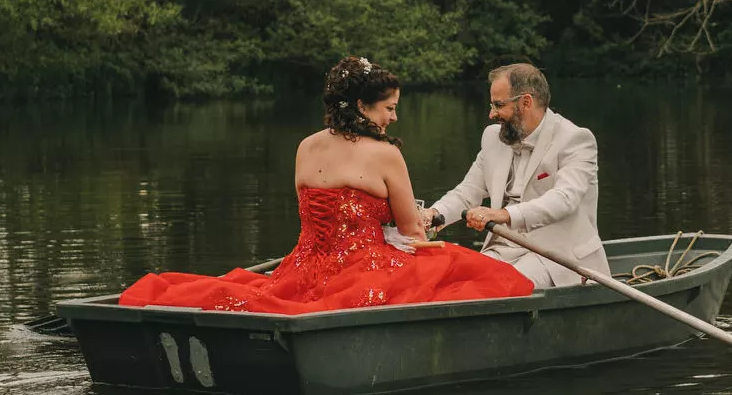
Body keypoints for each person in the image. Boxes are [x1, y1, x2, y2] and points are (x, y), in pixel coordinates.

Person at [118, 57, 534, 314]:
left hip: (303, 266)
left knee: (253, 288)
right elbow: (410, 231)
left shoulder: (305, 148)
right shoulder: (384, 153)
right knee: (474, 270)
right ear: (361, 106)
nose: (393, 118)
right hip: (364, 268)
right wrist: (426, 231)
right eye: (389, 109)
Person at [423, 62, 609, 288]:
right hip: (502, 250)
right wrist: (433, 215)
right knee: (446, 280)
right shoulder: (493, 138)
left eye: (498, 105)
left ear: (526, 102)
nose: (492, 114)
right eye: (491, 105)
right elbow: (467, 192)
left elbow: (564, 200)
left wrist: (503, 214)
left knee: (497, 287)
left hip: (557, 258)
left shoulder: (575, 139)